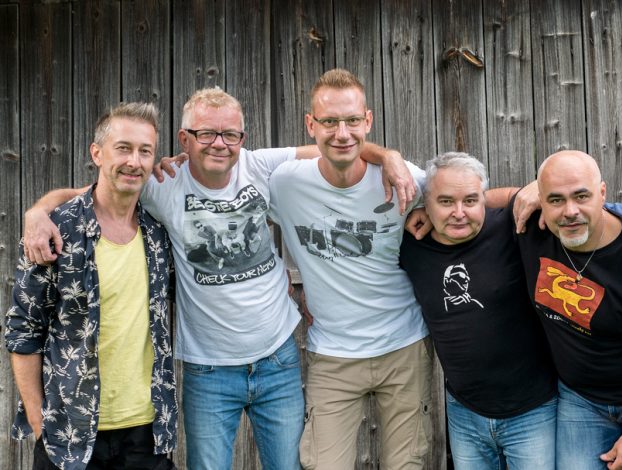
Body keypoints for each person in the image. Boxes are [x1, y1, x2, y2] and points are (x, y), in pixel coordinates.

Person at [21, 87, 413, 470]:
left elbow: (335, 147)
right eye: (206, 133)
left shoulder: (259, 165)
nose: (219, 144)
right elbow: (95, 192)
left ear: (242, 138)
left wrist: (388, 156)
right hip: (208, 370)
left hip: (277, 359)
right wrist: (38, 211)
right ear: (185, 139)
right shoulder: (161, 185)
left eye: (230, 134)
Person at [269, 68, 432, 469]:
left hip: (404, 347)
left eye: (352, 120)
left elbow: (469, 202)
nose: (342, 133)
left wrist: (533, 190)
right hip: (333, 354)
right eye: (329, 122)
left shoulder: (407, 180)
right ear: (310, 125)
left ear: (368, 121)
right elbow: (226, 194)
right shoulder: (285, 183)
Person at [5, 103, 176, 469]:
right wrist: (39, 423)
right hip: (70, 436)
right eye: (123, 148)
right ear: (97, 153)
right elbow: (23, 330)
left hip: (146, 433)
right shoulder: (56, 231)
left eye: (145, 151)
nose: (134, 161)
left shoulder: (159, 233)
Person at [515, 150, 622, 470]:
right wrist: (427, 210)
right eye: (555, 200)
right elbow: (472, 203)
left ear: (603, 193)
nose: (570, 211)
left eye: (581, 196)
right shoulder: (532, 230)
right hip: (580, 400)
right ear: (541, 201)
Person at [399, 152, 558, 468]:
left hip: (533, 411)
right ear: (425, 204)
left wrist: (532, 189)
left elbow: (559, 201)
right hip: (464, 412)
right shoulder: (409, 245)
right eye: (446, 202)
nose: (459, 213)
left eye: (470, 201)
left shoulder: (512, 227)